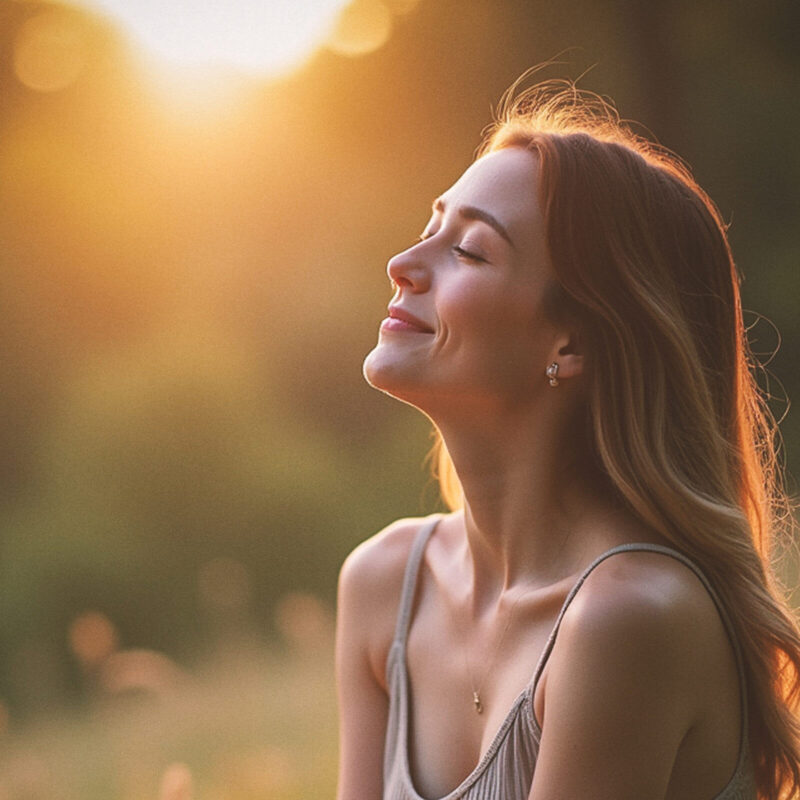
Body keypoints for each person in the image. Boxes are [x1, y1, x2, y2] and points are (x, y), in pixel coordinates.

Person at [335, 78, 800, 800]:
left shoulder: (628, 618)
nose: (404, 264)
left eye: (470, 251)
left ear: (573, 342)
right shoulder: (385, 583)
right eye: (431, 227)